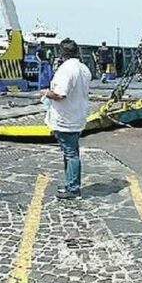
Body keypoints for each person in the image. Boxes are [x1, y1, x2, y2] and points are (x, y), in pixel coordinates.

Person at [41, 38, 92, 200]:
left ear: (62, 52)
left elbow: (60, 94)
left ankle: (73, 188)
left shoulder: (66, 69)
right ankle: (70, 182)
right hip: (78, 115)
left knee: (71, 153)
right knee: (70, 152)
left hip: (66, 118)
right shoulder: (84, 69)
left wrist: (46, 93)